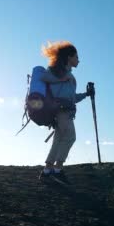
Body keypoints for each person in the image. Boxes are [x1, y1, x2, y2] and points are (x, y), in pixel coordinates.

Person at [38, 41, 92, 183]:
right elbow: (43, 77)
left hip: (63, 112)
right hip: (62, 112)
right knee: (70, 138)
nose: (78, 60)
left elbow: (71, 98)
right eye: (76, 56)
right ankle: (58, 170)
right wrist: (62, 78)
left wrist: (86, 94)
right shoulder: (58, 71)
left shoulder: (67, 74)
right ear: (69, 57)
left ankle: (47, 170)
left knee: (58, 141)